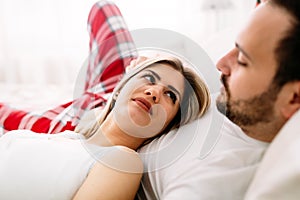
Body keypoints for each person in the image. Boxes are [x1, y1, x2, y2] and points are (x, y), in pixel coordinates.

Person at [136, 0, 300, 199]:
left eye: (242, 60)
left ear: (293, 98)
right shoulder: (233, 103)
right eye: (234, 46)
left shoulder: (212, 183)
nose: (221, 63)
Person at [0, 56, 210, 199]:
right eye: (149, 78)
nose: (154, 92)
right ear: (120, 88)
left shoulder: (122, 162)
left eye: (170, 95)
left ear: (167, 126)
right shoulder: (68, 136)